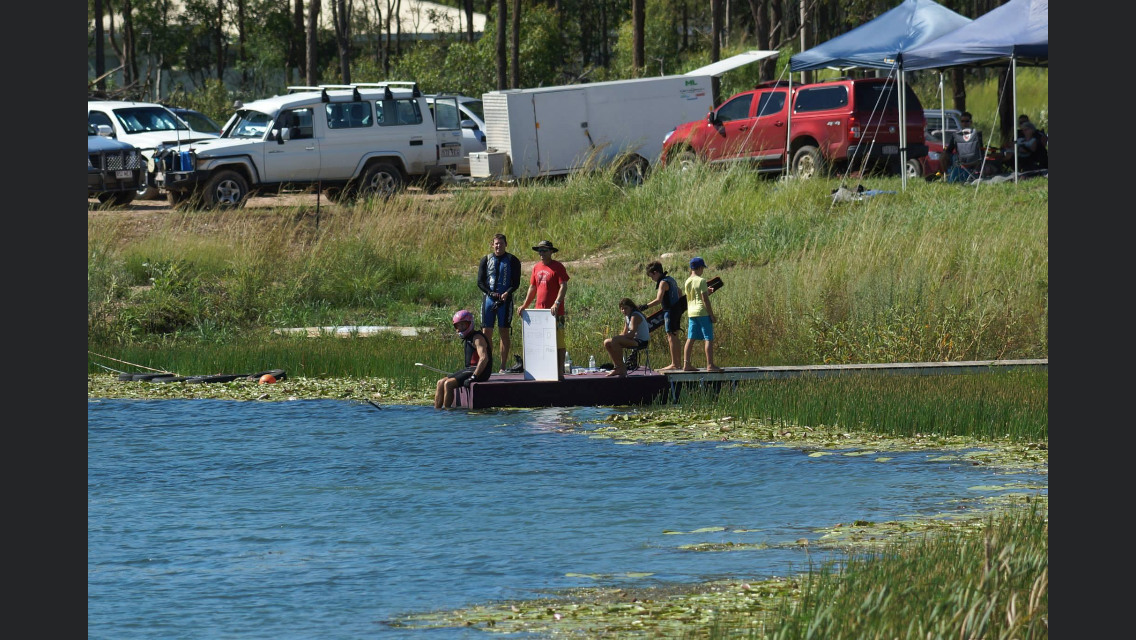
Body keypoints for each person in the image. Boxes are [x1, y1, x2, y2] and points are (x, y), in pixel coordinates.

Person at [516, 240, 570, 380]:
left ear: (551, 252)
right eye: (540, 250)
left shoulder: (557, 267)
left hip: (555, 313)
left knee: (558, 342)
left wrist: (557, 303)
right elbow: (533, 287)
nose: (541, 253)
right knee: (541, 343)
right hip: (539, 312)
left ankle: (559, 371)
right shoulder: (536, 267)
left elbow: (563, 285)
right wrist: (525, 305)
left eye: (544, 250)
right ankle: (543, 370)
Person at [477, 233, 522, 372]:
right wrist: (490, 293)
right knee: (486, 332)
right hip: (489, 300)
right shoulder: (486, 259)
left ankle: (502, 366)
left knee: (504, 332)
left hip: (505, 301)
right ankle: (487, 365)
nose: (498, 246)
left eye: (501, 243)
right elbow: (480, 282)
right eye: (496, 243)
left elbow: (516, 282)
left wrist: (507, 292)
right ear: (492, 245)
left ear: (505, 244)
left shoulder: (513, 260)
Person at [434, 309, 493, 409]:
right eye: (458, 326)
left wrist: (473, 377)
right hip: (469, 369)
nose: (460, 328)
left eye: (463, 325)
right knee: (440, 383)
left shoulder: (477, 338)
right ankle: (437, 411)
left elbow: (484, 358)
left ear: (469, 324)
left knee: (448, 384)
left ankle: (447, 412)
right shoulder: (468, 337)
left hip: (480, 372)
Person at [681, 256, 722, 372]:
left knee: (690, 338)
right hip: (702, 312)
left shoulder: (687, 281)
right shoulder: (702, 280)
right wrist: (711, 315)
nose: (703, 270)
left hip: (692, 313)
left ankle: (686, 364)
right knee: (708, 338)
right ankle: (710, 365)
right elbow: (705, 300)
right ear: (699, 268)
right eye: (702, 268)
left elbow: (694, 295)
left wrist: (706, 291)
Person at [640, 261, 683, 371]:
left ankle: (674, 364)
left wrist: (645, 306)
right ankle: (678, 364)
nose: (652, 279)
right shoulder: (671, 279)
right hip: (677, 310)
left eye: (651, 276)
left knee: (671, 337)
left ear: (655, 273)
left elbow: (659, 300)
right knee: (675, 337)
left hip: (669, 311)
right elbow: (680, 291)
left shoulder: (663, 282)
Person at [603, 298, 650, 377]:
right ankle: (617, 367)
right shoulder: (627, 317)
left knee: (615, 340)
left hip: (641, 341)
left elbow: (631, 334)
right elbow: (624, 333)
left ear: (631, 307)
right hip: (633, 339)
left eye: (626, 308)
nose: (624, 311)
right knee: (607, 342)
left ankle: (622, 368)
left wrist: (616, 339)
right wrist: (615, 338)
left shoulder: (635, 315)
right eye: (622, 309)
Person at [943, 111, 985, 181]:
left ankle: (948, 176)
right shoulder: (976, 134)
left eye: (966, 121)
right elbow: (981, 149)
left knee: (945, 156)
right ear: (960, 122)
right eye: (962, 121)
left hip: (962, 160)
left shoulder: (957, 135)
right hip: (973, 160)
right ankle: (948, 175)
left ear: (970, 122)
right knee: (944, 155)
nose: (964, 123)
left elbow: (949, 150)